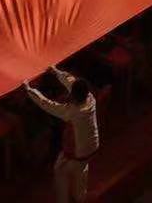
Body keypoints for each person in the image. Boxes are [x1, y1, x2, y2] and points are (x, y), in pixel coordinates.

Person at [24, 67, 99, 203]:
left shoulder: (73, 112)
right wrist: (56, 71)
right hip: (92, 147)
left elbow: (47, 104)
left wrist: (29, 89)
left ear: (74, 96)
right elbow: (71, 81)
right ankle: (80, 197)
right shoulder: (90, 99)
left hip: (77, 152)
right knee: (81, 171)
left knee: (60, 172)